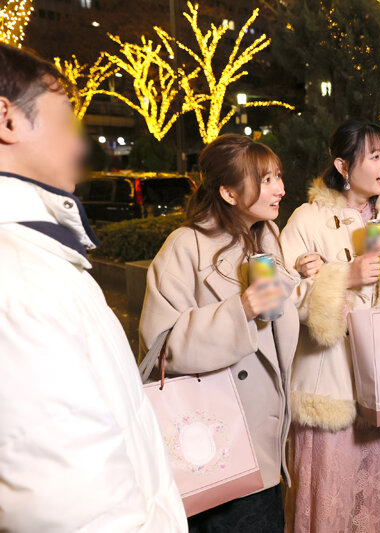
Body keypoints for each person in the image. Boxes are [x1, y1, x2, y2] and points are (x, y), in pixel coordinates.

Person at [0, 43, 187, 530]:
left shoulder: (40, 256)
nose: (79, 147)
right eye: (65, 122)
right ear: (7, 119)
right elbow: (73, 507)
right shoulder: (20, 279)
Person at [279, 119, 380, 533]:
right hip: (328, 385)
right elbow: (281, 299)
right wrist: (343, 278)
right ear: (343, 165)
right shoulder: (307, 218)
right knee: (331, 503)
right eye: (375, 156)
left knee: (376, 502)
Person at [138, 134, 298, 532]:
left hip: (263, 441)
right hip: (212, 441)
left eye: (278, 176)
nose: (280, 189)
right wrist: (240, 310)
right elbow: (162, 347)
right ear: (228, 192)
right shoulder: (185, 246)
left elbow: (278, 331)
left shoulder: (266, 236)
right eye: (266, 180)